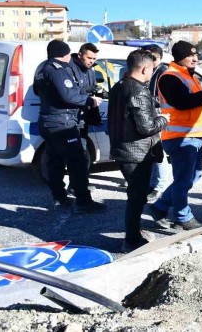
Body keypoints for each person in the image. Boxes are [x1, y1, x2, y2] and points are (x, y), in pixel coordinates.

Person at [148, 41, 202, 230]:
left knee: (193, 176)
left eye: (195, 55)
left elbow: (195, 104)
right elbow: (181, 102)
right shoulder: (170, 77)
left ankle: (160, 206)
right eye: (190, 55)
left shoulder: (190, 75)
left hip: (195, 135)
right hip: (180, 138)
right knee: (184, 180)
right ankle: (183, 216)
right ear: (179, 57)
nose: (195, 58)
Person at [108, 49, 170, 252]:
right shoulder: (139, 91)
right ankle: (132, 239)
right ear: (144, 68)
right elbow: (146, 127)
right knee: (137, 197)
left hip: (123, 149)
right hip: (136, 153)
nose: (153, 73)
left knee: (136, 195)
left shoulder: (119, 86)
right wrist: (163, 119)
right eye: (152, 69)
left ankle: (134, 232)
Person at [33, 40, 105, 213]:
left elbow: (38, 91)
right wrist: (91, 100)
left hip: (48, 121)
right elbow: (68, 96)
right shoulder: (58, 70)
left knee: (55, 161)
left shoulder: (43, 69)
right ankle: (83, 202)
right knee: (78, 161)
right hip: (62, 123)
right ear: (64, 54)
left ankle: (59, 197)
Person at [143, 44, 172, 202]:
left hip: (161, 117)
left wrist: (144, 100)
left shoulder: (163, 72)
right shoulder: (152, 71)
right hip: (152, 116)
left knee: (159, 154)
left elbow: (164, 99)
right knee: (153, 154)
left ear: (158, 57)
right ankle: (153, 183)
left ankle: (160, 187)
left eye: (150, 57)